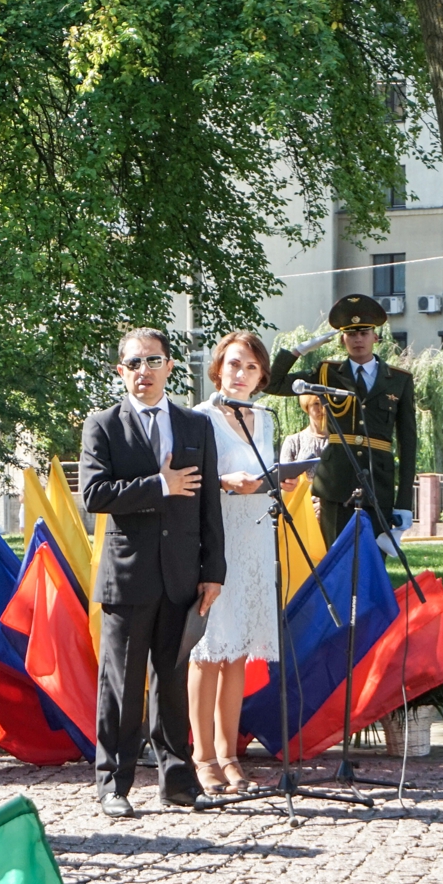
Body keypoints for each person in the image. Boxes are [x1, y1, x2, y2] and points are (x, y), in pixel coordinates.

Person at [80, 328, 225, 817]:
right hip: (128, 576)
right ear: (121, 371)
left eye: (153, 361)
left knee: (173, 682)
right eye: (134, 363)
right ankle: (113, 785)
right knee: (122, 684)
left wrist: (214, 569)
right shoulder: (103, 425)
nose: (144, 371)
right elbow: (95, 495)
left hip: (182, 575)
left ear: (169, 367)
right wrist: (158, 484)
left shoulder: (195, 426)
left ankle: (178, 782)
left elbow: (209, 504)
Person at [188, 332, 277, 795]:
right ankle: (202, 758)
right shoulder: (200, 417)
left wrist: (278, 481)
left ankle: (230, 756)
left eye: (251, 367)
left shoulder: (266, 419)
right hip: (215, 538)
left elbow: (267, 473)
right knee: (208, 651)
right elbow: (189, 479)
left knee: (238, 649)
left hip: (256, 537)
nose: (241, 374)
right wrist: (224, 481)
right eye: (234, 364)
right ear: (218, 368)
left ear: (262, 377)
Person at [265, 295, 416, 544]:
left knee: (372, 560)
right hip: (336, 484)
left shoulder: (399, 380)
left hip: (378, 483)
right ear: (342, 339)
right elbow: (272, 384)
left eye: (364, 333)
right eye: (351, 334)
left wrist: (404, 503)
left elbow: (408, 443)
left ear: (375, 337)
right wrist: (299, 351)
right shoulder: (327, 373)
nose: (358, 339)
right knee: (335, 559)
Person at [279, 393, 329, 470]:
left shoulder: (340, 440)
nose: (322, 408)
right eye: (316, 403)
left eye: (325, 403)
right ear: (307, 407)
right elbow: (285, 475)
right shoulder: (293, 442)